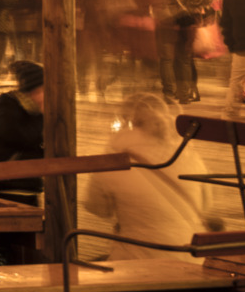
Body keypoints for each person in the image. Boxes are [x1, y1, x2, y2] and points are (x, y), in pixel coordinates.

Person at [83, 93, 224, 257]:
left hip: (136, 260)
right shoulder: (188, 153)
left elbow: (96, 207)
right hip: (190, 257)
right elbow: (205, 206)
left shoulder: (113, 155)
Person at [0, 60, 48, 202]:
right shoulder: (7, 110)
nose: (45, 96)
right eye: (42, 90)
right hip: (7, 189)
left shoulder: (29, 110)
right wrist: (41, 116)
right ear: (30, 91)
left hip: (26, 186)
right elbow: (27, 138)